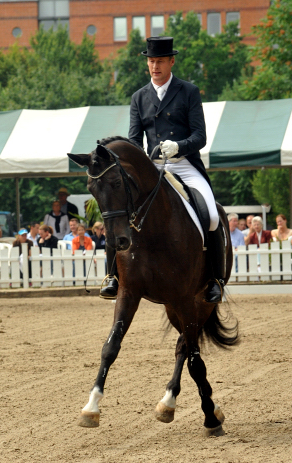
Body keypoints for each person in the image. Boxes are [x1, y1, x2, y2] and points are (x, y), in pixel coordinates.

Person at [101, 36, 225, 303]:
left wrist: (178, 146)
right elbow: (134, 140)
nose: (154, 66)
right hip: (153, 168)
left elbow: (200, 136)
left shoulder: (188, 91)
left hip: (185, 165)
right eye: (151, 61)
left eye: (159, 61)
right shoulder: (139, 97)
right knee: (120, 212)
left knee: (212, 216)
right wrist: (140, 162)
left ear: (171, 61)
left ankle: (214, 279)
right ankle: (112, 276)